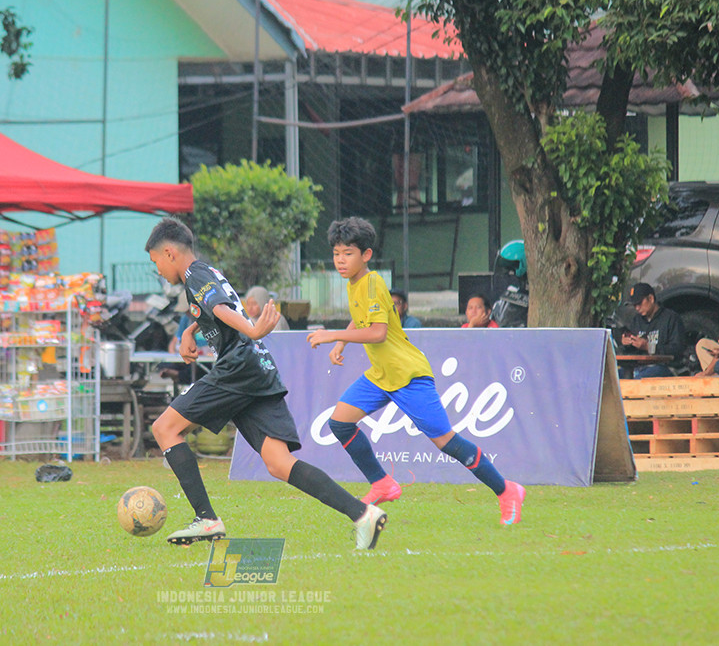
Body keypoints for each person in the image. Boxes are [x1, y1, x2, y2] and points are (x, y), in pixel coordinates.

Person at [144, 217, 388, 549]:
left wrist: (252, 328)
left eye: (155, 261)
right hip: (258, 367)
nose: (157, 270)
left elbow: (219, 307)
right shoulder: (207, 271)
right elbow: (213, 308)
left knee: (164, 429)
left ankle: (206, 518)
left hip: (238, 365)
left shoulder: (194, 275)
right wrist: (190, 331)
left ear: (169, 253)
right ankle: (363, 514)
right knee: (278, 463)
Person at [306, 216, 525, 524]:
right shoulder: (355, 283)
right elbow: (363, 319)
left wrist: (333, 335)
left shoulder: (372, 283)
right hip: (382, 374)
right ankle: (382, 483)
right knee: (340, 423)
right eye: (336, 253)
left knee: (446, 442)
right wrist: (342, 342)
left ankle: (507, 491)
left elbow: (378, 332)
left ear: (366, 255)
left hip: (408, 375)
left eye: (348, 253)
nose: (340, 260)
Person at [621, 283, 687, 378]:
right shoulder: (636, 320)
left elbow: (678, 349)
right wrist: (627, 343)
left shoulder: (671, 318)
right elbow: (632, 352)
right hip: (638, 367)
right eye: (634, 305)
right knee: (611, 377)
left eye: (639, 303)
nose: (637, 308)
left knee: (638, 380)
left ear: (651, 299)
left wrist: (649, 347)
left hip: (665, 367)